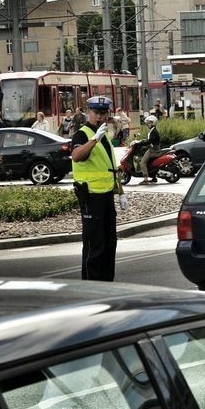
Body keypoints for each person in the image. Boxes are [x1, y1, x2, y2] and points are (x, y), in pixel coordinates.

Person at [71, 96, 128, 282]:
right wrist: (94, 139)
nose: (100, 117)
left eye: (103, 113)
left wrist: (121, 193)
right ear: (89, 112)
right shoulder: (83, 134)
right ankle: (90, 285)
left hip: (106, 197)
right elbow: (76, 156)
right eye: (96, 113)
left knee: (110, 244)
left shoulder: (105, 137)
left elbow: (110, 168)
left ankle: (107, 284)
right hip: (90, 197)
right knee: (94, 245)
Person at [133, 114, 164, 185]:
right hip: (154, 149)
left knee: (142, 162)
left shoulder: (154, 132)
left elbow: (149, 141)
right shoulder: (152, 131)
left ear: (153, 123)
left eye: (149, 123)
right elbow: (149, 140)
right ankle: (154, 177)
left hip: (154, 150)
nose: (147, 124)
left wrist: (140, 143)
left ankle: (146, 179)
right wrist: (141, 141)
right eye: (147, 123)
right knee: (149, 162)